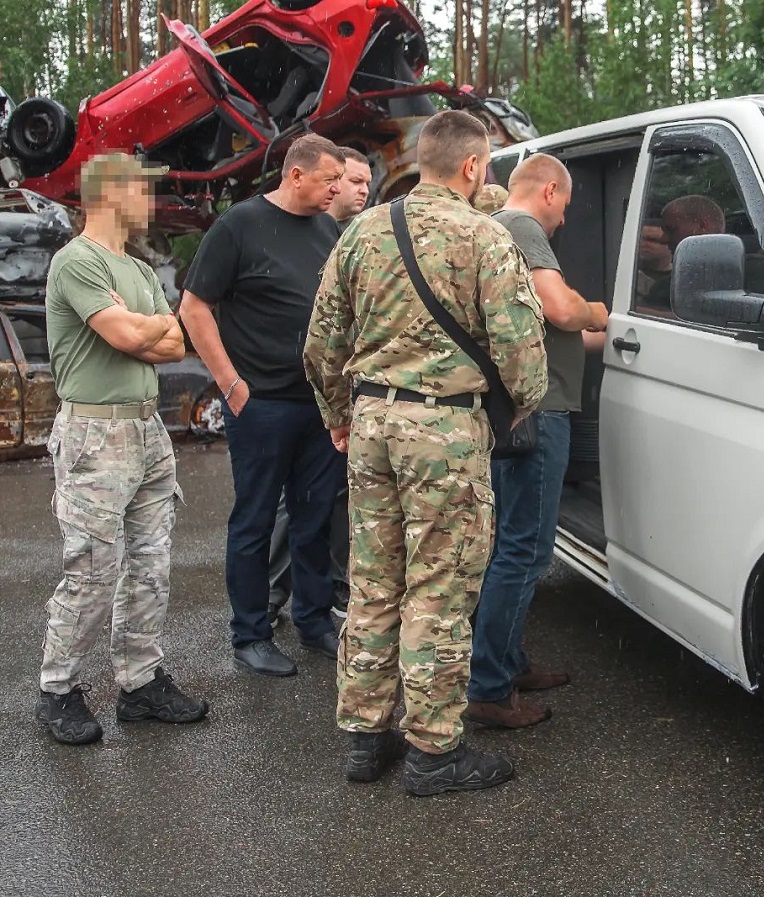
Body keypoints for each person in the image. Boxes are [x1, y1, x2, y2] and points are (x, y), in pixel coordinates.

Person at [303, 110, 548, 793]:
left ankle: (365, 737)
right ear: (472, 166)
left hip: (371, 424)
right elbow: (524, 358)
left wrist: (340, 416)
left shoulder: (362, 231)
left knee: (374, 581)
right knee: (440, 587)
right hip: (444, 431)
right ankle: (434, 752)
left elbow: (321, 344)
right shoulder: (484, 236)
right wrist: (512, 412)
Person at [36, 152, 209, 745]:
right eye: (142, 190)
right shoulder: (76, 261)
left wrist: (142, 330)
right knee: (92, 569)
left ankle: (140, 683)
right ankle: (58, 688)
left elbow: (174, 343)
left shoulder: (136, 267)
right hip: (95, 434)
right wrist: (144, 329)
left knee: (150, 564)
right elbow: (133, 333)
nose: (151, 202)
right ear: (111, 194)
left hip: (147, 428)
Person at [180, 134, 346, 677]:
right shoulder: (239, 226)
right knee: (254, 521)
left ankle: (314, 621)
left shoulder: (327, 229)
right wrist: (230, 384)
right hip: (261, 405)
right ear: (295, 175)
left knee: (314, 517)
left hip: (317, 405)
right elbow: (194, 306)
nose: (337, 189)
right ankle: (250, 634)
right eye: (329, 179)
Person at [465, 153, 608, 728]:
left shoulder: (496, 228)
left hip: (520, 412)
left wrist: (613, 336)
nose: (565, 219)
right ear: (549, 191)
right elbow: (561, 309)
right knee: (525, 550)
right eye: (565, 205)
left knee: (510, 543)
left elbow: (547, 329)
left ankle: (508, 663)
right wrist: (599, 311)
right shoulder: (522, 226)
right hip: (538, 414)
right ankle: (489, 688)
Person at [265, 145, 372, 628]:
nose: (361, 190)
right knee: (297, 503)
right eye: (352, 180)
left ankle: (328, 592)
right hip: (298, 390)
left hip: (344, 390)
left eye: (366, 182)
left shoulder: (349, 236)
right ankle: (271, 593)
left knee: (335, 499)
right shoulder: (299, 232)